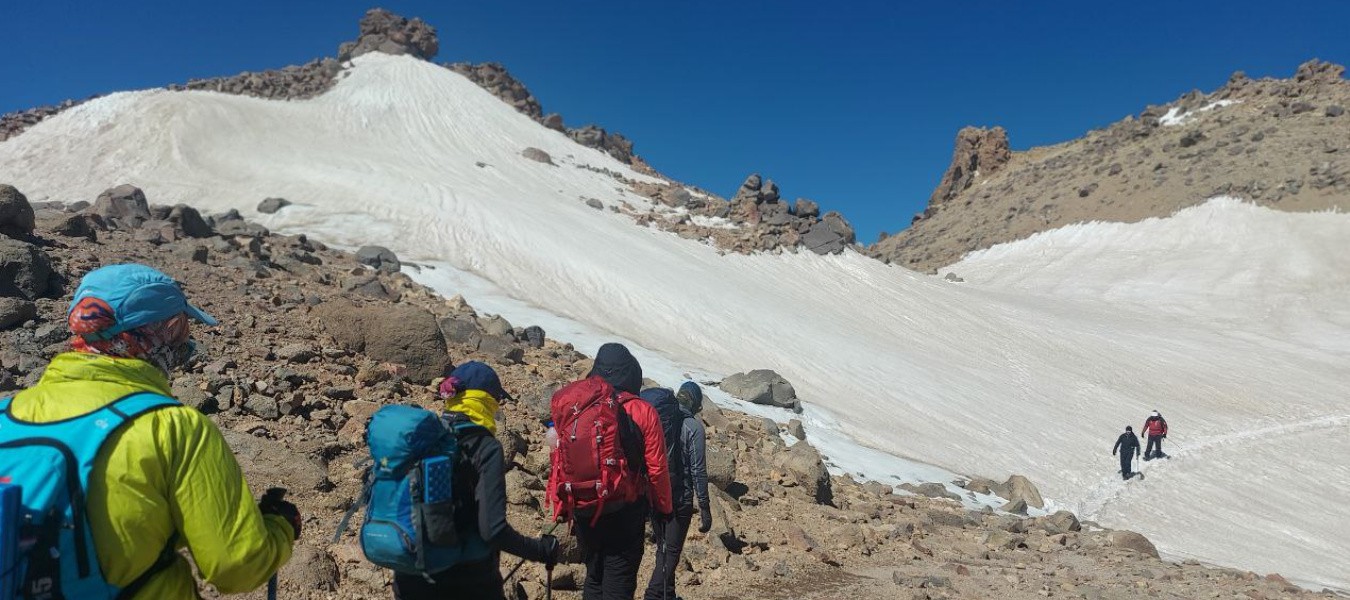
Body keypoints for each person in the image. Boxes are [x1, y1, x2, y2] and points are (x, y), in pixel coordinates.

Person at [0, 264, 297, 598]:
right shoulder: (174, 427)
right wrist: (280, 527)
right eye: (181, 328)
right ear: (161, 331)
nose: (187, 342)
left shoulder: (5, 414)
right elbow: (236, 566)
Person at [392, 361, 559, 600]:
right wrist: (540, 550)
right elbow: (492, 529)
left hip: (409, 576)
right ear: (487, 401)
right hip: (465, 579)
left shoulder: (423, 436)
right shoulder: (485, 447)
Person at [549, 343, 673, 600]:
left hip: (583, 504)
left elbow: (558, 454)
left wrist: (562, 504)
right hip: (624, 507)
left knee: (594, 575)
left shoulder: (577, 407)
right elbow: (657, 468)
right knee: (619, 578)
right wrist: (664, 509)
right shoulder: (642, 410)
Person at [642, 381, 712, 600]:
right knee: (671, 552)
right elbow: (698, 471)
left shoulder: (659, 418)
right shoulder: (694, 427)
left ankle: (667, 594)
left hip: (655, 491)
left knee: (663, 547)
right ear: (696, 403)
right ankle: (654, 595)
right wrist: (704, 506)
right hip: (679, 497)